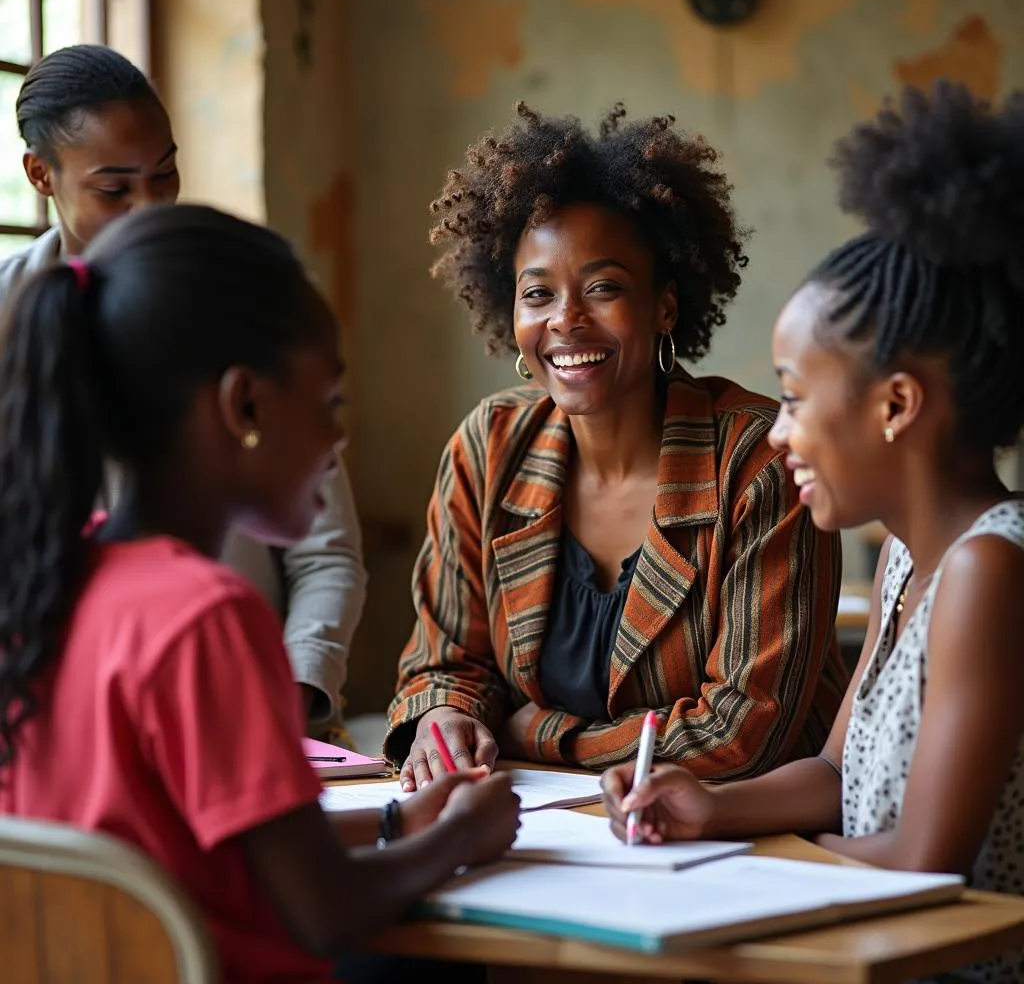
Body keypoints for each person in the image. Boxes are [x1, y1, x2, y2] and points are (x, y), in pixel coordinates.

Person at [0, 203, 520, 983]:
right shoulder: (205, 617)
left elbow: (183, 847)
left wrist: (392, 822)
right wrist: (461, 835)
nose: (339, 438)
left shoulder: (49, 578)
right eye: (330, 402)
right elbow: (326, 911)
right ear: (244, 405)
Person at [601, 81, 1024, 982]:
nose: (780, 429)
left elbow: (924, 862)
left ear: (896, 406)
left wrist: (735, 872)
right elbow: (837, 775)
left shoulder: (992, 567)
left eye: (795, 397)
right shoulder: (914, 557)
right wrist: (708, 808)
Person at [385, 102, 849, 789]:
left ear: (665, 306)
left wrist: (539, 733)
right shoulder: (489, 447)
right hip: (559, 837)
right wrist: (442, 717)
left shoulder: (757, 461)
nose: (566, 320)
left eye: (603, 288)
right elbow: (445, 661)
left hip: (747, 843)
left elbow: (743, 731)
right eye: (537, 294)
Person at [0, 44, 365, 738]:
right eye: (115, 189)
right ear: (40, 175)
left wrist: (289, 696)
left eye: (165, 174)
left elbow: (327, 548)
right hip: (69, 720)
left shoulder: (236, 303)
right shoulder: (11, 321)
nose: (150, 207)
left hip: (255, 712)